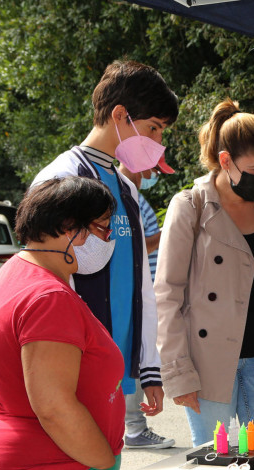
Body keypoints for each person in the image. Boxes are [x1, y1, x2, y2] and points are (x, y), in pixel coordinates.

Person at [31, 59, 178, 449]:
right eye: (153, 129)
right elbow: (44, 284)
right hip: (74, 371)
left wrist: (149, 370)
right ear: (119, 115)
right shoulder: (60, 181)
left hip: (118, 373)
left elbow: (141, 287)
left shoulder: (126, 190)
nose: (157, 142)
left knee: (109, 457)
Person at [155, 98, 254, 446]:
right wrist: (179, 374)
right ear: (226, 160)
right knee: (216, 462)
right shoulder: (190, 207)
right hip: (207, 364)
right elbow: (167, 295)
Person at [0, 177, 122, 470]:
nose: (107, 239)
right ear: (70, 227)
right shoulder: (48, 298)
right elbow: (54, 408)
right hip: (56, 460)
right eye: (101, 228)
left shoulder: (14, 271)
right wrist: (104, 462)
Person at [116, 163, 172, 448]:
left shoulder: (133, 194)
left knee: (137, 360)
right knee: (133, 362)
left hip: (140, 291)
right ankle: (135, 429)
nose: (154, 176)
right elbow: (135, 245)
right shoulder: (122, 194)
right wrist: (167, 232)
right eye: (154, 169)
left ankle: (134, 427)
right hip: (133, 292)